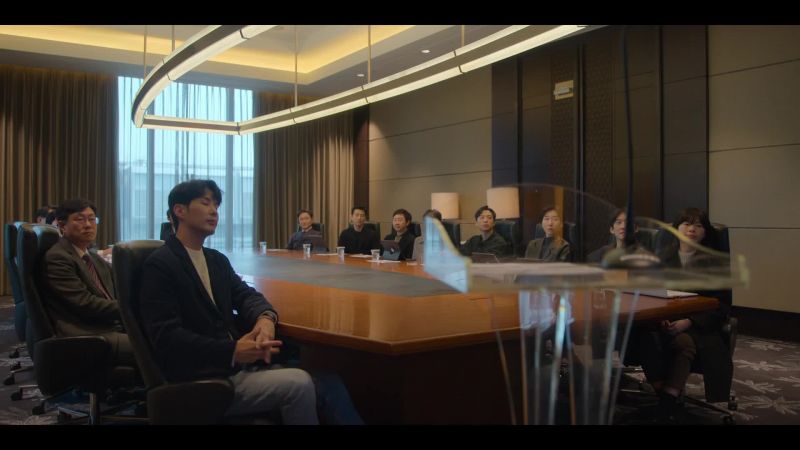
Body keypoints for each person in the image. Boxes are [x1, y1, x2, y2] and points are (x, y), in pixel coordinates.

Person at [140, 179, 362, 425]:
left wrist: (265, 318)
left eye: (216, 205)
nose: (214, 211)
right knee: (299, 384)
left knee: (329, 381)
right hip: (203, 379)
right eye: (205, 203)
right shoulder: (161, 265)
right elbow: (167, 337)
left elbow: (247, 295)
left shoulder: (215, 260)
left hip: (234, 366)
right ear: (179, 210)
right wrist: (232, 351)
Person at [635, 207, 733, 423]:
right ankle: (667, 396)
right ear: (676, 229)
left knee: (684, 343)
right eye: (687, 224)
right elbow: (650, 293)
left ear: (705, 232)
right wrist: (660, 317)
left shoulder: (715, 263)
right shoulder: (661, 258)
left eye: (698, 225)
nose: (691, 229)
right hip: (660, 321)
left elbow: (723, 306)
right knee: (642, 336)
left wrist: (688, 321)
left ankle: (667, 401)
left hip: (699, 326)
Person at [40, 199, 135, 367]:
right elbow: (85, 304)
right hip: (87, 333)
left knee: (166, 336)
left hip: (108, 324)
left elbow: (122, 286)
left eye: (92, 219)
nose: (88, 225)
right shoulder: (58, 257)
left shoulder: (93, 257)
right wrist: (132, 308)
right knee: (156, 347)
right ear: (62, 225)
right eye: (80, 219)